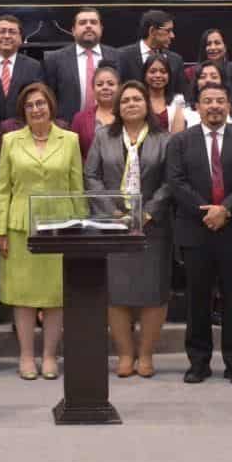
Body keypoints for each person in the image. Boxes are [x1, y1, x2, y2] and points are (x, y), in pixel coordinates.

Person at [167, 82, 232, 385]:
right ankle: (198, 362)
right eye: (208, 101)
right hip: (196, 231)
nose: (214, 106)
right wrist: (206, 211)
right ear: (198, 106)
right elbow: (176, 181)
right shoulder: (181, 141)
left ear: (229, 105)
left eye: (220, 101)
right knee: (197, 299)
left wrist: (226, 210)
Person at [0, 82, 84, 380]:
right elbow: (3, 189)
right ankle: (26, 356)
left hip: (60, 227)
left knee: (56, 295)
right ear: (23, 110)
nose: (36, 109)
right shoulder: (10, 141)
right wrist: (0, 231)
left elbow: (76, 188)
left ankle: (49, 356)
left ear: (51, 106)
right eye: (30, 105)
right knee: (24, 295)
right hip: (20, 227)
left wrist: (80, 227)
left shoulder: (69, 140)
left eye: (41, 103)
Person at [84, 80, 172, 377]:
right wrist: (113, 213)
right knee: (116, 292)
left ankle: (145, 355)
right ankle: (124, 354)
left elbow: (171, 181)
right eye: (126, 100)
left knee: (152, 291)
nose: (131, 104)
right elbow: (91, 177)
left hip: (153, 226)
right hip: (113, 226)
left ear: (147, 104)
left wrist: (147, 214)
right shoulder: (102, 138)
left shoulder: (166, 140)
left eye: (137, 99)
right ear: (118, 107)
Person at [42, 7, 121, 121]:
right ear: (73, 30)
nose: (88, 26)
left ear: (101, 29)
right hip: (67, 128)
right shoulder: (54, 59)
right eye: (82, 23)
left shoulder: (118, 56)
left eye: (93, 22)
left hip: (110, 127)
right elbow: (48, 98)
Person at [0, 13, 41, 131]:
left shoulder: (34, 66)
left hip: (22, 132)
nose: (7, 36)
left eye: (12, 32)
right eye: (2, 31)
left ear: (20, 39)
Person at [117, 9, 184, 100]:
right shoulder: (122, 56)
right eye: (168, 31)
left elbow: (180, 95)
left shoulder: (176, 60)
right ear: (152, 31)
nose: (172, 35)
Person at [69, 62, 120, 160]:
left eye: (111, 84)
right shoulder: (80, 119)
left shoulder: (127, 115)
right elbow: (75, 155)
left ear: (119, 87)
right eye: (100, 84)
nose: (105, 87)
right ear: (93, 88)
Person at [189, 62, 232, 131]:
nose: (208, 80)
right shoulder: (184, 110)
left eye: (214, 77)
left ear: (222, 82)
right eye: (203, 77)